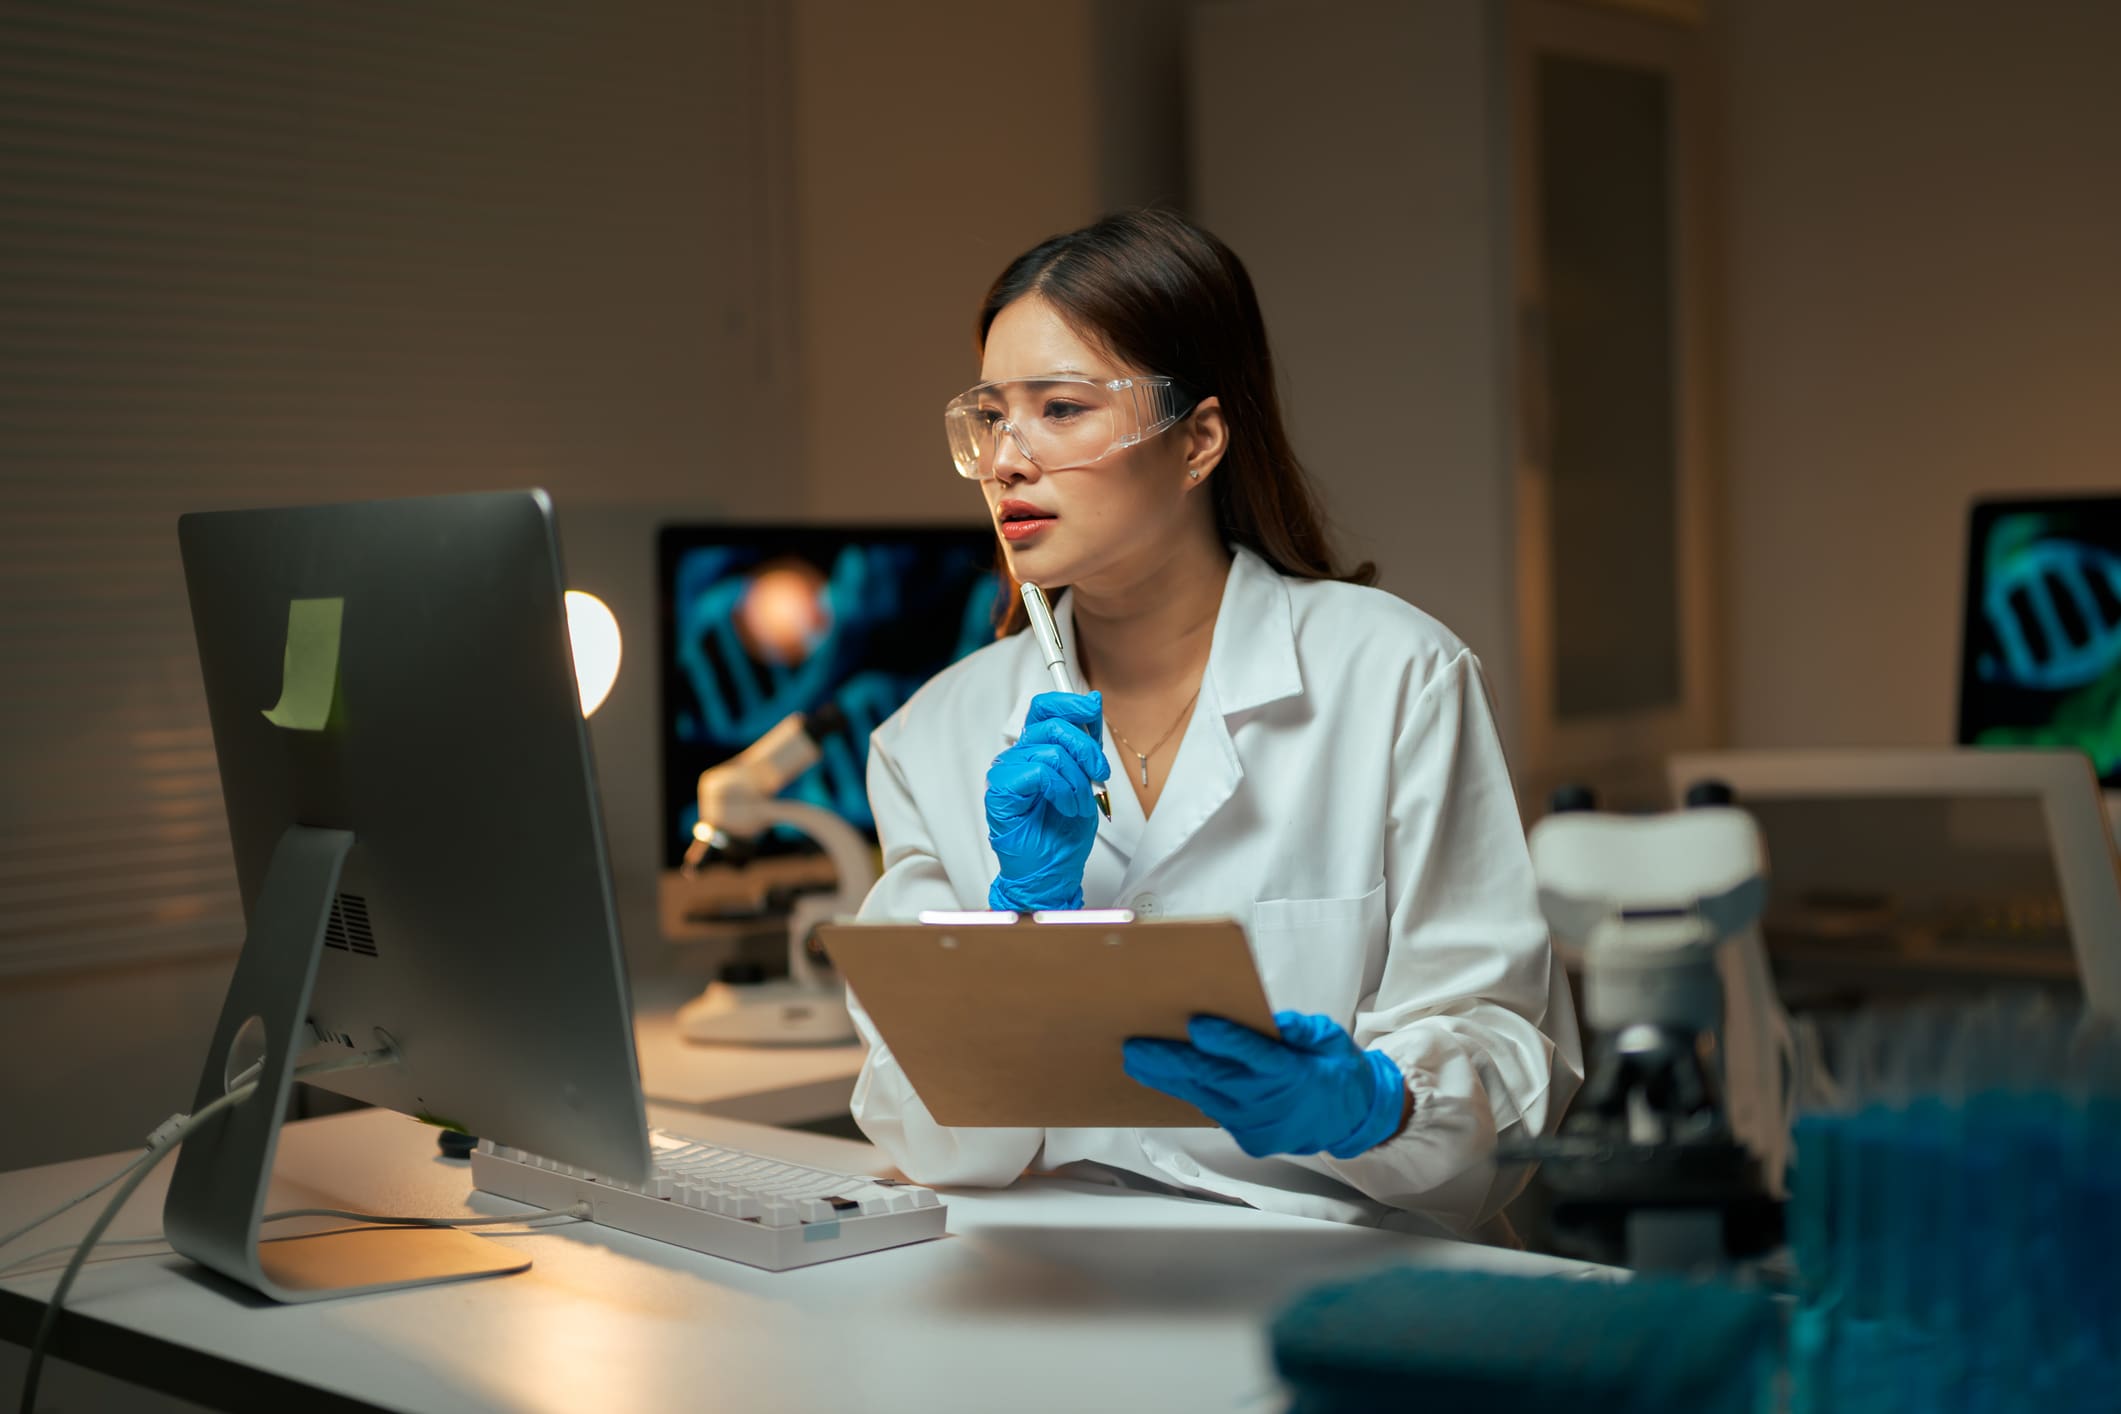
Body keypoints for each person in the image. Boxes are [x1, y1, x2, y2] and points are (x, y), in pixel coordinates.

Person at [846, 209, 1582, 1240]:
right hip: (1055, 1278)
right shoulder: (934, 737)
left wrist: (1376, 1102)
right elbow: (930, 1140)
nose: (1008, 460)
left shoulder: (1394, 676)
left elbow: (1503, 1053)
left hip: (1338, 1268)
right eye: (990, 418)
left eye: (1059, 409)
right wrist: (1016, 933)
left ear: (1197, 440)